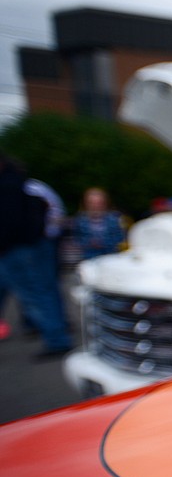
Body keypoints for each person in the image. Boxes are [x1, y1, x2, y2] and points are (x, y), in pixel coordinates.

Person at [0, 153, 73, 358]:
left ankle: (56, 337)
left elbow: (54, 214)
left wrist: (47, 237)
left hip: (23, 248)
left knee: (36, 293)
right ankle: (55, 332)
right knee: (44, 291)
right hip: (30, 246)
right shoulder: (25, 184)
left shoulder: (15, 187)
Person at [73, 186, 126, 260]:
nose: (95, 206)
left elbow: (121, 239)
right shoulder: (80, 221)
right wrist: (89, 243)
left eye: (99, 203)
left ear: (105, 203)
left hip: (110, 256)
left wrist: (103, 243)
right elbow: (76, 240)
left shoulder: (115, 220)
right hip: (87, 258)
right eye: (91, 203)